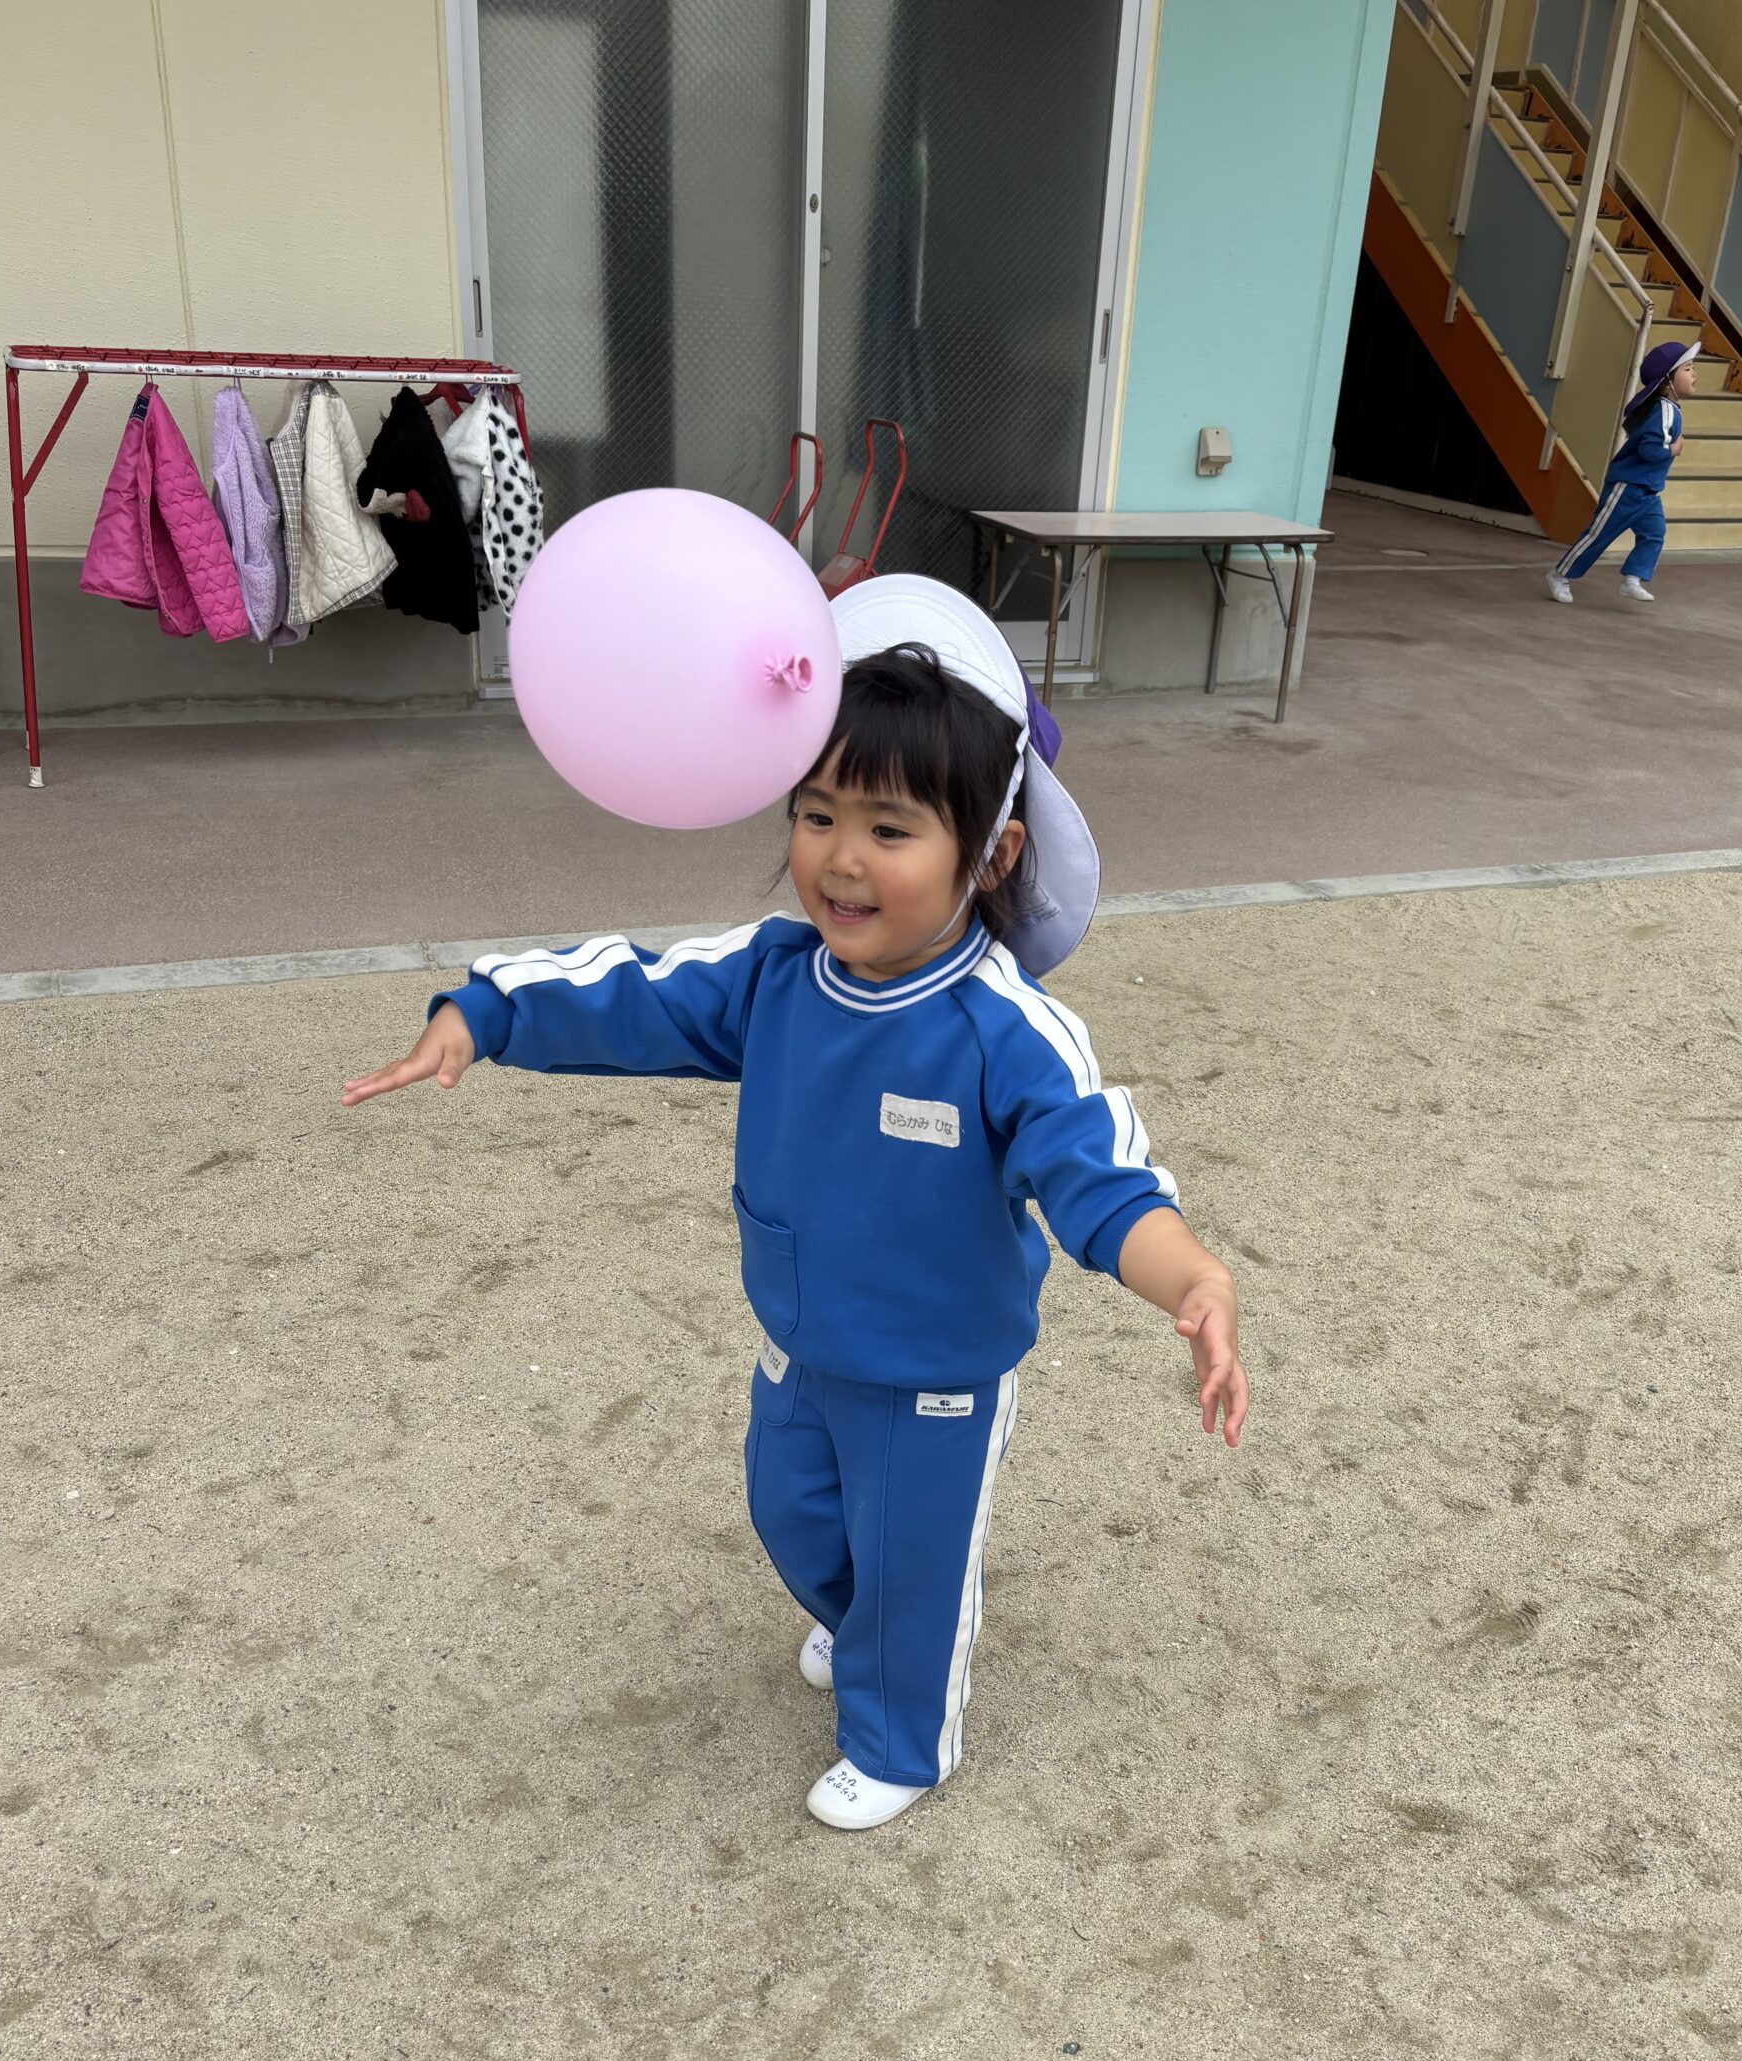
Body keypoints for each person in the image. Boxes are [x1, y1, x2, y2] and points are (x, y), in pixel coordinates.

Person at [343, 576, 1247, 1832]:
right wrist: (485, 1012)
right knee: (789, 1509)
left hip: (934, 1375)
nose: (840, 856)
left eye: (890, 827)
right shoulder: (775, 976)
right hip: (799, 1340)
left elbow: (1101, 1176)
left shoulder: (1006, 1031)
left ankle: (902, 1737)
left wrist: (1192, 1277)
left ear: (992, 852)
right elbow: (637, 989)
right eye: (817, 813)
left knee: (913, 1565)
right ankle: (861, 1617)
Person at [1546, 340, 1699, 605]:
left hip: (1648, 491)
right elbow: (1649, 450)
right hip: (1627, 487)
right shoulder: (1663, 411)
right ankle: (1559, 575)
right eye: (1687, 369)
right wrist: (1673, 450)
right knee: (1598, 535)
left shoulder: (1671, 409)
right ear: (1667, 382)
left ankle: (1632, 580)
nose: (1694, 373)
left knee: (1654, 533)